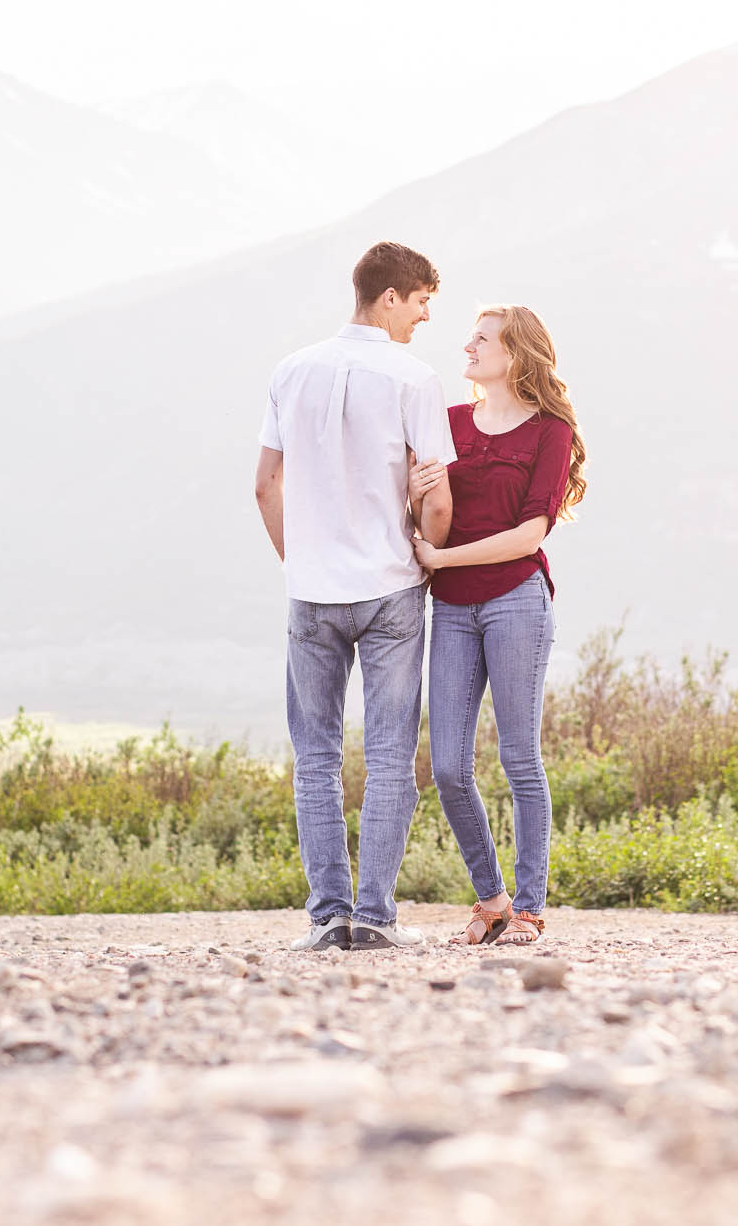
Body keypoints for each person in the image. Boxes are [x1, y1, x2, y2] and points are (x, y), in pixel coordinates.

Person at [254, 241, 457, 951]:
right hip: (390, 587)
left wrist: (300, 558)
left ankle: (325, 917)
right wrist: (429, 555)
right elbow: (436, 501)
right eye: (423, 300)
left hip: (310, 590)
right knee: (392, 755)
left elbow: (263, 484)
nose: (426, 316)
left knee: (315, 755)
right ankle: (374, 917)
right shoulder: (414, 378)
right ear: (390, 296)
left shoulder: (291, 370)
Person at [413, 305, 587, 947]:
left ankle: (530, 907)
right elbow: (425, 507)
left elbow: (531, 533)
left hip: (517, 596)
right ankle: (491, 899)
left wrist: (444, 557)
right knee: (450, 767)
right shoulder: (448, 424)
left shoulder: (550, 431)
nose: (468, 346)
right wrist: (416, 494)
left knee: (519, 757)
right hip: (452, 607)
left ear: (515, 354)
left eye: (481, 339)